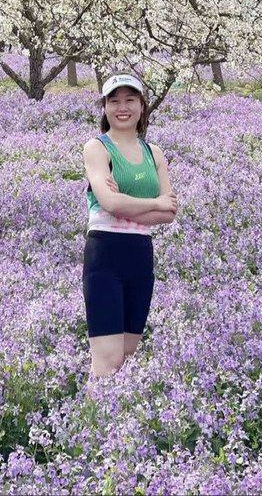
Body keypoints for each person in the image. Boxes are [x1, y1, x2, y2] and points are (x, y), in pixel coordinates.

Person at [82, 73, 178, 378]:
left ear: (142, 105)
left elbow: (169, 212)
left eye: (130, 100)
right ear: (105, 107)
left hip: (140, 256)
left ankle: (112, 410)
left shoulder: (154, 153)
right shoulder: (96, 148)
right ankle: (92, 411)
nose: (122, 107)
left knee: (127, 355)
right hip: (104, 255)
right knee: (107, 361)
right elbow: (109, 203)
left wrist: (126, 203)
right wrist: (154, 203)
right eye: (114, 101)